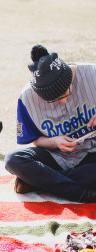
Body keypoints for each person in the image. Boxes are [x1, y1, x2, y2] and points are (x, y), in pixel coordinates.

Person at [5, 44, 96, 202]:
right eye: (54, 99)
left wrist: (41, 176)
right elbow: (36, 140)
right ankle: (81, 193)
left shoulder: (92, 74)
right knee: (13, 160)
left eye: (66, 93)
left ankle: (40, 182)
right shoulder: (27, 98)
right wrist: (54, 142)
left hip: (91, 153)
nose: (63, 101)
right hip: (55, 157)